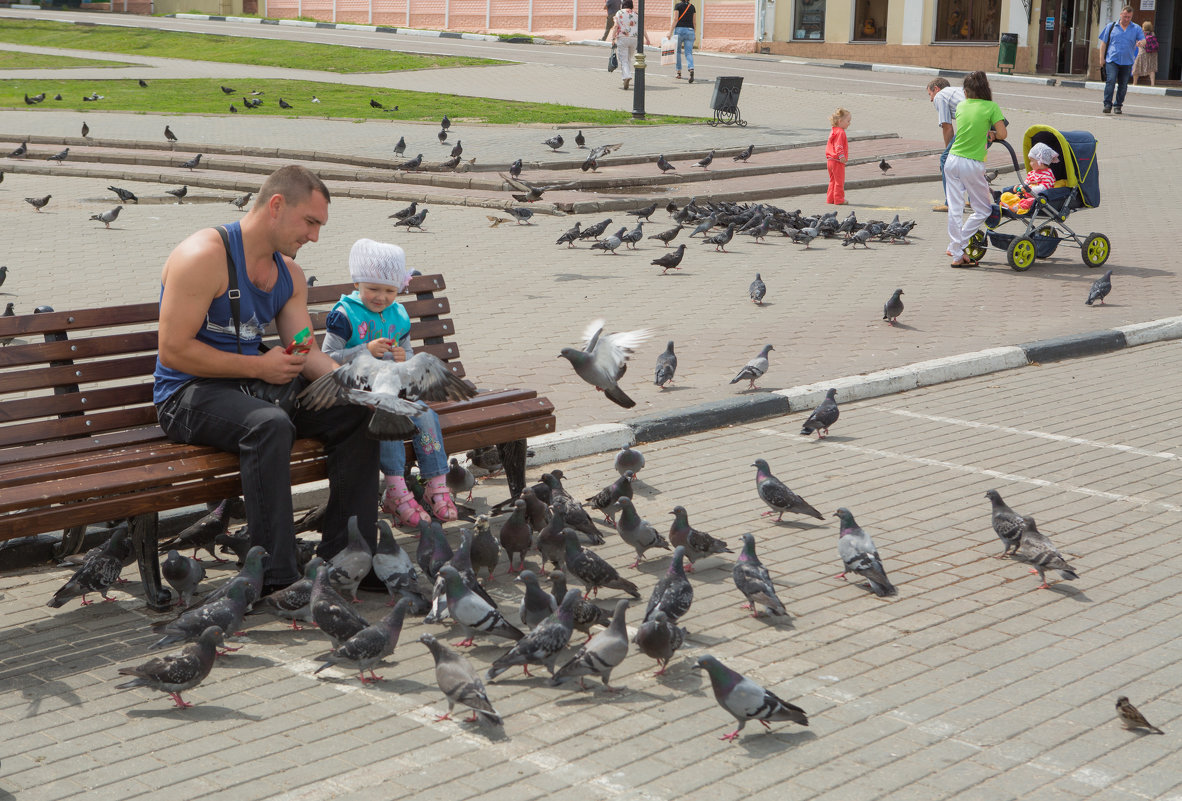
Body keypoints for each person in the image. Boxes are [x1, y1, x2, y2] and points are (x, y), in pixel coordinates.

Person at [154, 165, 380, 594]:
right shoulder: (203, 256)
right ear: (276, 206)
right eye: (310, 222)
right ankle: (276, 577)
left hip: (249, 391)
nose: (314, 236)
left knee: (357, 413)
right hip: (186, 394)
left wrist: (355, 387)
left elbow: (304, 351)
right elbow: (174, 350)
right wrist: (259, 367)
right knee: (270, 425)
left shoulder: (289, 276)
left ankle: (348, 563)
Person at [321, 239, 457, 527]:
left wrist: (401, 357)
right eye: (373, 289)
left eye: (390, 291)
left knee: (426, 415)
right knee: (389, 416)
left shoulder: (399, 315)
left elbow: (406, 355)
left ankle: (436, 482)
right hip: (359, 393)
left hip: (394, 388)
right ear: (357, 282)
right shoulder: (344, 314)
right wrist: (364, 350)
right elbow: (326, 357)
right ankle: (395, 488)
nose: (381, 298)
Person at [944, 71, 1006, 268]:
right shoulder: (991, 107)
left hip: (952, 161)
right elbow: (1003, 133)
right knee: (983, 209)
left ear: (966, 91)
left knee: (955, 208)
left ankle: (957, 255)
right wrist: (993, 135)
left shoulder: (961, 106)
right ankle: (957, 246)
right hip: (971, 163)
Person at [1097, 5, 1144, 114]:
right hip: (1112, 59)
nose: (1127, 19)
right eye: (1125, 16)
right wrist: (1101, 59)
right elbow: (1103, 43)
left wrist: (1141, 43)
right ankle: (1107, 104)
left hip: (1127, 61)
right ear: (1121, 14)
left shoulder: (1136, 28)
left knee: (1123, 85)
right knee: (1111, 81)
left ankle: (1118, 106)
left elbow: (1143, 40)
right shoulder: (1111, 26)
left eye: (1129, 17)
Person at [927, 77, 965, 212]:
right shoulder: (958, 91)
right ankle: (974, 200)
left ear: (936, 89)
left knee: (946, 160)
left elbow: (947, 126)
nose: (931, 99)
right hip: (989, 127)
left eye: (930, 94)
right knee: (970, 162)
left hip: (972, 128)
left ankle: (950, 203)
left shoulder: (940, 96)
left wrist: (949, 153)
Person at [611, 0, 646, 91]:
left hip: (623, 38)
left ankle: (626, 76)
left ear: (623, 4)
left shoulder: (619, 12)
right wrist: (647, 38)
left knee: (623, 60)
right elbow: (641, 27)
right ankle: (627, 75)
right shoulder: (636, 14)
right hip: (634, 39)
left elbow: (615, 26)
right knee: (628, 59)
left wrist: (612, 38)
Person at [826, 107, 851, 206]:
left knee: (832, 180)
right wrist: (841, 156)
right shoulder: (840, 132)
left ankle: (830, 198)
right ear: (840, 121)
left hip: (830, 160)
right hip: (837, 161)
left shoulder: (833, 131)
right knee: (839, 181)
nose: (849, 123)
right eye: (848, 121)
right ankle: (839, 199)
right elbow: (838, 146)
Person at [670, 0, 695, 82]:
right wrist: (694, 33)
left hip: (679, 30)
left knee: (678, 52)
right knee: (688, 52)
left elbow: (675, 19)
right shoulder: (692, 7)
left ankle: (678, 73)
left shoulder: (678, 6)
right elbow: (694, 22)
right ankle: (691, 68)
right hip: (690, 30)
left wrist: (670, 32)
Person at [1132, 20, 1157, 86]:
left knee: (1136, 67)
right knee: (1151, 68)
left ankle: (1134, 83)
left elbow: (1138, 44)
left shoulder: (1141, 34)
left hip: (1143, 53)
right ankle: (1152, 84)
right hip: (1152, 54)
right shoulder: (1153, 34)